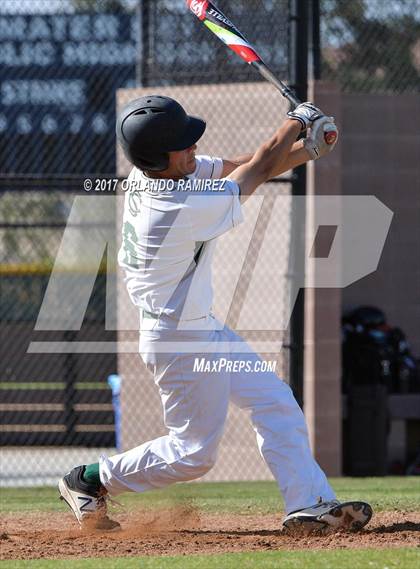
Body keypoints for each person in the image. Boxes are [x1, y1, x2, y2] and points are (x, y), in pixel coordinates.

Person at [59, 95, 372, 534]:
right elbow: (257, 170)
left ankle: (309, 504)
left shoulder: (153, 172)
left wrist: (309, 148)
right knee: (193, 455)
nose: (193, 149)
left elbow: (237, 166)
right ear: (157, 157)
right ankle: (88, 481)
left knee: (274, 401)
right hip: (178, 338)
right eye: (183, 144)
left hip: (199, 327)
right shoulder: (172, 208)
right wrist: (296, 121)